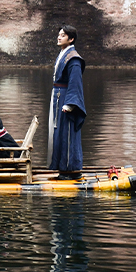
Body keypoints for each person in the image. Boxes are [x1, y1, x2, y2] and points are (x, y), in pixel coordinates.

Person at [47, 24, 86, 180]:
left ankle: (71, 169)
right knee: (58, 132)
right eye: (59, 34)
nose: (59, 37)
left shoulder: (74, 59)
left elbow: (75, 82)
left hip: (65, 99)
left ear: (71, 39)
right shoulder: (63, 54)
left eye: (63, 35)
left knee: (67, 132)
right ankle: (61, 168)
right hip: (57, 96)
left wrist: (70, 104)